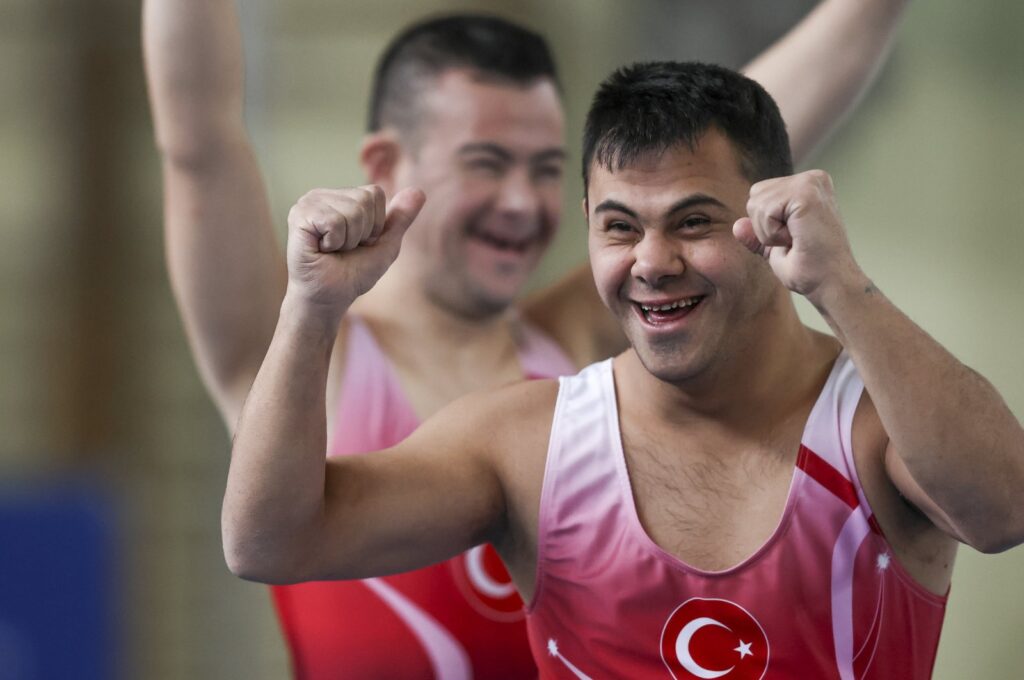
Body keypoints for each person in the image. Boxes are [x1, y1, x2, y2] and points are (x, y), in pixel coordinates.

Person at [144, 1, 912, 676]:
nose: (522, 203)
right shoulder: (301, 355)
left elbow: (737, 142)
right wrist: (310, 309)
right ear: (385, 164)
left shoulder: (574, 346)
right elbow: (198, 139)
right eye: (487, 164)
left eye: (546, 170)